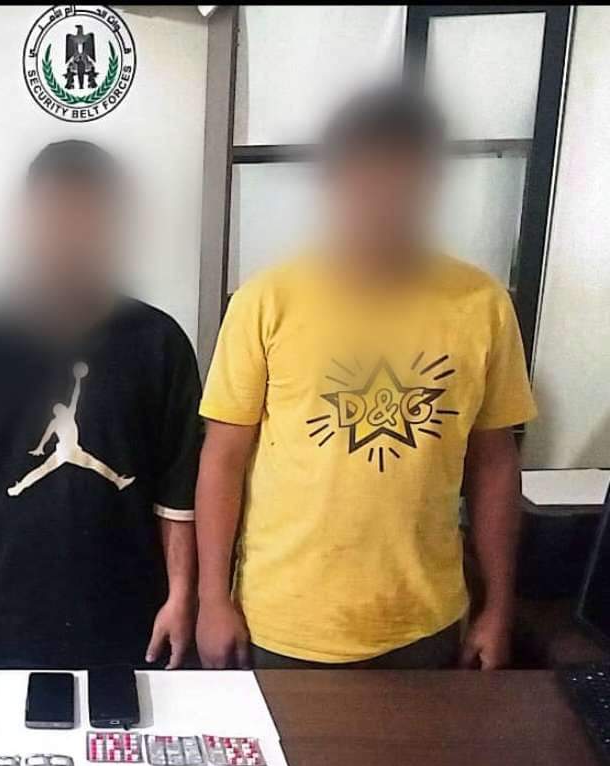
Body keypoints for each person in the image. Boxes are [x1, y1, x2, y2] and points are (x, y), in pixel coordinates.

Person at [195, 86, 537, 670]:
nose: (382, 200)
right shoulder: (266, 301)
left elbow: (495, 465)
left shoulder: (483, 305)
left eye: (403, 181)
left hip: (425, 619)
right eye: (366, 179)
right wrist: (211, 600)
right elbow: (223, 459)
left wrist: (499, 606)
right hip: (280, 622)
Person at [0, 140, 201, 669]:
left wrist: (183, 595)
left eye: (86, 217)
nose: (70, 235)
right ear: (27, 223)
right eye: (55, 217)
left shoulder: (159, 343)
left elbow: (178, 493)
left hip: (132, 617)